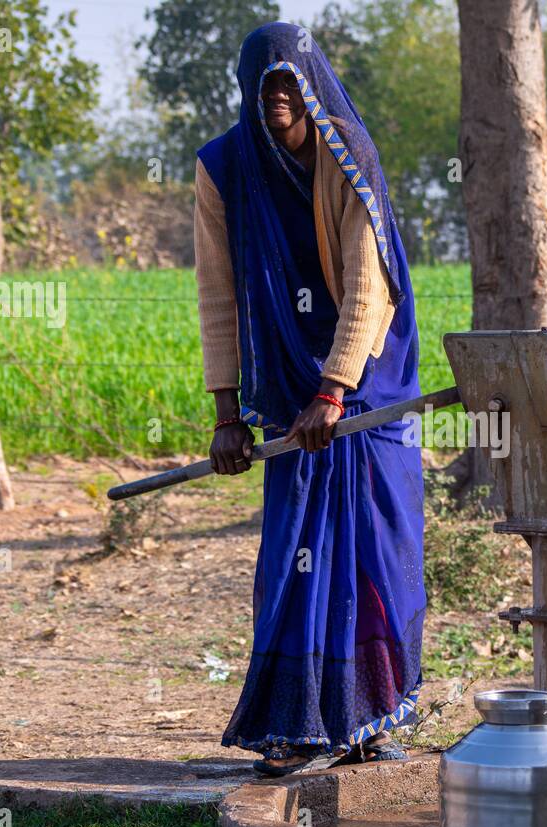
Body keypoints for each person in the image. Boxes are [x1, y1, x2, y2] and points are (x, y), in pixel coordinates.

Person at [194, 22, 425, 775]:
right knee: (297, 549)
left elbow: (369, 284)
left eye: (290, 85)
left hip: (366, 382)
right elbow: (218, 296)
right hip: (289, 385)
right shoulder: (224, 170)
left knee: (374, 544)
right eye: (265, 89)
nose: (279, 101)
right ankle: (294, 724)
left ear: (312, 87)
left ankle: (367, 719)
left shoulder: (348, 158)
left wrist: (334, 390)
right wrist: (228, 413)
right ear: (247, 95)